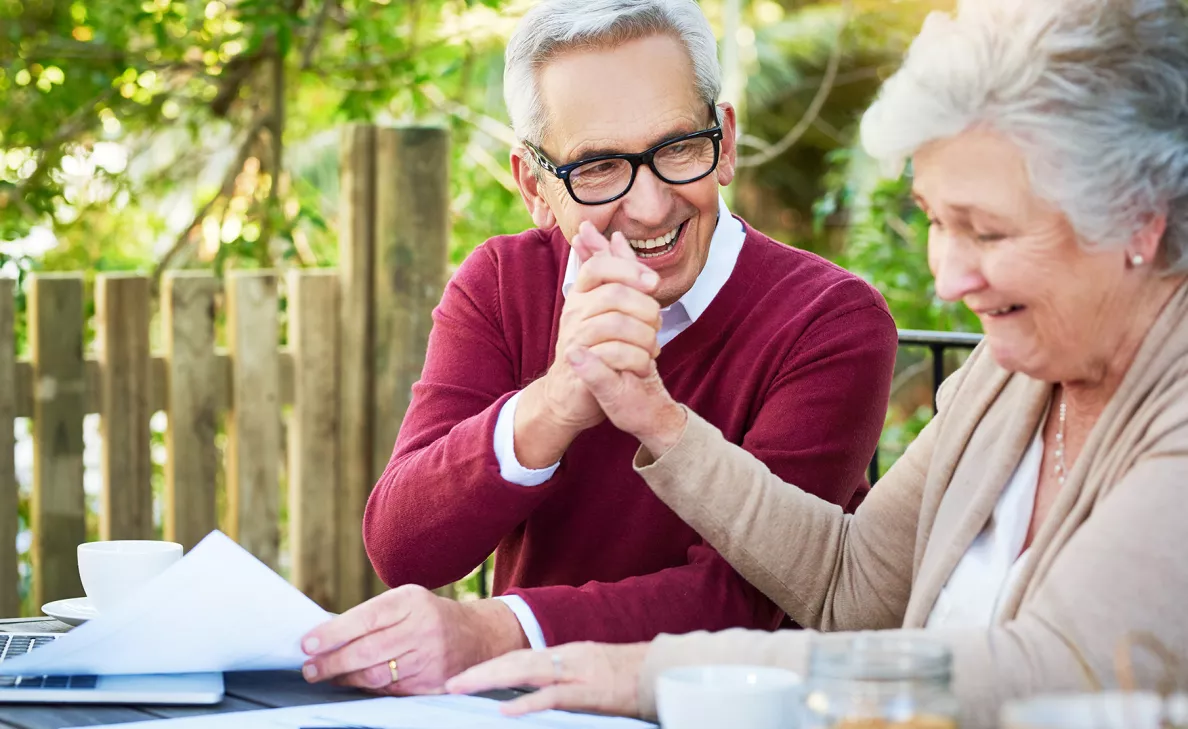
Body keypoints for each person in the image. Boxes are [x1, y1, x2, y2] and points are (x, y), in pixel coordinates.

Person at [443, 0, 1188, 726]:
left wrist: (640, 672)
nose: (947, 278)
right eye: (935, 220)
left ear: (1138, 220)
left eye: (986, 232)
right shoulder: (1012, 376)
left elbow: (1048, 669)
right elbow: (849, 585)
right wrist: (658, 419)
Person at [298, 0, 898, 695]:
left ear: (725, 142)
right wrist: (555, 403)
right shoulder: (501, 283)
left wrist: (498, 629)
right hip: (537, 709)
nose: (648, 206)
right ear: (533, 184)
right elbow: (404, 546)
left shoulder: (828, 318)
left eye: (677, 148)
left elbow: (751, 601)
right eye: (600, 168)